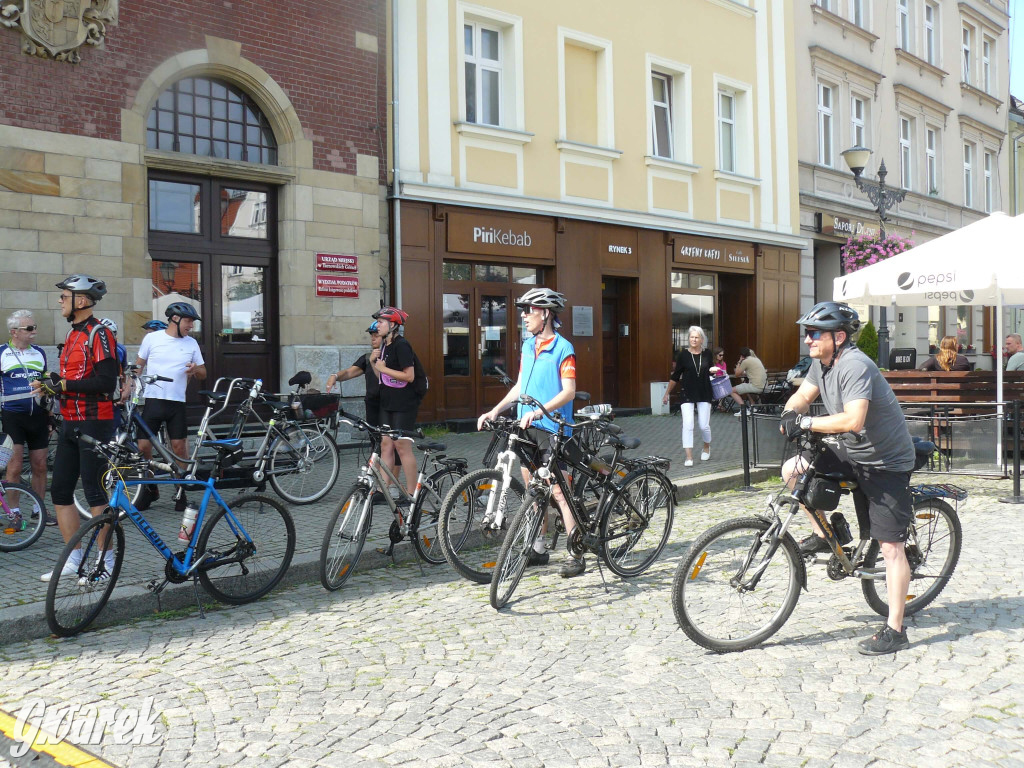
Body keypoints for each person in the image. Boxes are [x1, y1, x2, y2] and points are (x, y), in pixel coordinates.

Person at [779, 301, 916, 655]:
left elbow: (853, 420)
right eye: (807, 333)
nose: (808, 340)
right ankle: (824, 535)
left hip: (885, 461)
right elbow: (803, 396)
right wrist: (790, 414)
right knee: (792, 471)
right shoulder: (820, 364)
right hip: (852, 452)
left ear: (838, 337)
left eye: (814, 334)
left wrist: (807, 423)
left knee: (890, 548)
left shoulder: (855, 364)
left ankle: (895, 629)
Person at [478, 287, 582, 574]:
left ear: (546, 314)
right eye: (523, 311)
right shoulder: (527, 346)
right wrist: (496, 409)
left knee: (559, 493)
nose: (524, 317)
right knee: (533, 492)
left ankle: (576, 553)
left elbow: (569, 392)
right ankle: (538, 548)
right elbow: (520, 386)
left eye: (529, 311)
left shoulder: (564, 348)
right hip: (528, 428)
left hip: (551, 429)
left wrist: (541, 410)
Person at [31, 275, 119, 582]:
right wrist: (50, 385)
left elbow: (106, 383)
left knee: (95, 493)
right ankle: (74, 558)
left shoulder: (99, 332)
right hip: (70, 421)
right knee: (60, 491)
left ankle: (105, 561)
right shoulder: (72, 334)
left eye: (64, 296)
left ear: (81, 301)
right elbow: (74, 379)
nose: (59, 301)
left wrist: (64, 384)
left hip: (94, 422)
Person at [132, 302, 207, 512]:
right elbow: (139, 365)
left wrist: (195, 369)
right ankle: (149, 490)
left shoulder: (191, 344)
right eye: (188, 321)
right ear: (175, 319)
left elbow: (203, 373)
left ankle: (181, 490)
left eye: (192, 322)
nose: (191, 325)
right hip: (153, 400)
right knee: (143, 447)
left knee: (179, 448)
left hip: (177, 403)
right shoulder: (152, 338)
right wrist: (128, 388)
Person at [1, 310, 49, 507]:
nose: (34, 331)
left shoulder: (39, 352)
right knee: (15, 466)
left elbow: (46, 385)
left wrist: (50, 414)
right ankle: (14, 512)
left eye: (35, 327)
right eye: (29, 328)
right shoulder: (2, 352)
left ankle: (39, 511)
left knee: (40, 465)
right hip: (13, 416)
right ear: (14, 332)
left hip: (38, 416)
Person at [372, 306, 421, 500]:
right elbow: (382, 376)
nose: (378, 325)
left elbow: (409, 376)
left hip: (404, 402)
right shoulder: (384, 345)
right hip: (388, 400)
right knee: (386, 444)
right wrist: (375, 364)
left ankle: (411, 494)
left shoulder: (402, 345)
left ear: (393, 325)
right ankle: (383, 489)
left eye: (381, 322)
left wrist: (383, 367)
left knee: (402, 446)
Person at [662, 326, 713, 467]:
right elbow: (675, 376)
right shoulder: (683, 355)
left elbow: (711, 371)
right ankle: (689, 457)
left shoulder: (707, 354)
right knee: (688, 425)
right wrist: (667, 393)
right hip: (687, 393)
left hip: (704, 392)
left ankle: (706, 446)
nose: (694, 339)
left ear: (702, 339)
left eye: (697, 337)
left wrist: (715, 371)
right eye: (691, 337)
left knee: (704, 425)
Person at [326, 321, 382, 427]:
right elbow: (348, 372)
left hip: (388, 404)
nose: (373, 338)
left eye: (377, 336)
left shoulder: (392, 356)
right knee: (374, 436)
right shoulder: (367, 358)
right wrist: (335, 376)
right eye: (372, 336)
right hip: (372, 403)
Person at [729, 346, 768, 413]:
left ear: (742, 356)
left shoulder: (746, 361)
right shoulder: (757, 359)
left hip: (756, 387)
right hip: (764, 386)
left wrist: (739, 361)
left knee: (730, 390)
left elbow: (737, 374)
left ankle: (743, 409)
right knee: (746, 387)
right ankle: (753, 405)